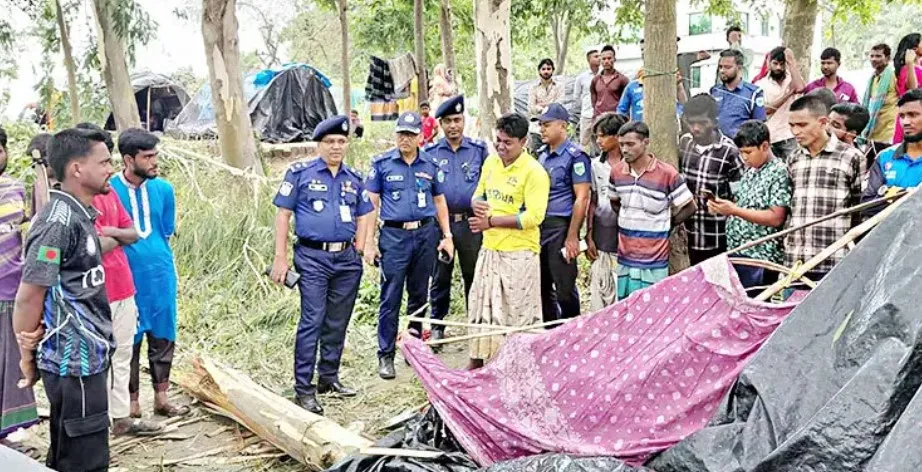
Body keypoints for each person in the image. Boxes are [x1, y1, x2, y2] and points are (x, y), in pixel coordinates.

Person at [13, 127, 116, 471]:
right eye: (104, 162)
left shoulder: (79, 215)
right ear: (76, 169)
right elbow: (29, 296)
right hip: (75, 363)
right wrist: (26, 356)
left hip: (86, 359)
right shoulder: (57, 223)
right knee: (85, 462)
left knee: (68, 455)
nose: (111, 169)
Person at [271, 116, 372, 415]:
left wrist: (361, 246)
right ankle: (304, 388)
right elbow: (283, 215)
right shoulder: (300, 173)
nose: (336, 147)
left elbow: (365, 212)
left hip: (346, 260)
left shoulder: (354, 178)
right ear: (319, 145)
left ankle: (329, 377)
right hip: (312, 258)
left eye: (341, 141)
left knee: (338, 321)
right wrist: (280, 257)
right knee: (312, 320)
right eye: (330, 142)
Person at [76, 122, 162, 436]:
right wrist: (117, 236)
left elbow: (133, 233)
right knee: (97, 359)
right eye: (102, 161)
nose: (108, 169)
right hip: (96, 291)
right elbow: (91, 246)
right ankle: (97, 420)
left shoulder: (109, 192)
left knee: (122, 354)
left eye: (107, 160)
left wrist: (110, 233)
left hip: (124, 286)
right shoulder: (77, 201)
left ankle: (121, 417)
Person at [363, 112, 454, 379]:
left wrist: (447, 236)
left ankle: (413, 348)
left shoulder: (430, 164)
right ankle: (385, 354)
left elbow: (439, 201)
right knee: (390, 296)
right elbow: (371, 205)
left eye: (410, 134)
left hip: (425, 235)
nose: (405, 139)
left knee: (419, 294)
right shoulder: (382, 164)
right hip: (394, 237)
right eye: (401, 134)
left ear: (420, 137)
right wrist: (368, 242)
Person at [109, 129, 189, 418]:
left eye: (155, 155)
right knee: (129, 336)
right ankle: (131, 403)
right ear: (129, 159)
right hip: (126, 276)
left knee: (163, 332)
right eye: (148, 157)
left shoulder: (164, 190)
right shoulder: (109, 190)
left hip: (161, 273)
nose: (155, 162)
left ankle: (162, 398)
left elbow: (165, 230)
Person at [466, 113, 549, 368]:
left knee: (516, 313)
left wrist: (491, 221)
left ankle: (515, 366)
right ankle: (478, 361)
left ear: (523, 142)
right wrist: (477, 205)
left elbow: (534, 217)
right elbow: (478, 194)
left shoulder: (534, 172)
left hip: (519, 253)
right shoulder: (491, 162)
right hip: (490, 248)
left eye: (508, 142)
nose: (501, 146)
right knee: (482, 307)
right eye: (498, 140)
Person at [424, 96, 488, 345]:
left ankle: (476, 323)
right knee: (440, 276)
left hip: (471, 224)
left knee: (474, 274)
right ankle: (438, 325)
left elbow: (489, 183)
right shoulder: (430, 153)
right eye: (448, 121)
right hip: (441, 225)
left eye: (457, 120)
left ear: (464, 121)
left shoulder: (478, 150)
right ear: (441, 124)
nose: (453, 126)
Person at [609, 121, 696, 299]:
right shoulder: (616, 172)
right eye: (622, 144)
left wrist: (667, 224)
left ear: (646, 143)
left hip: (654, 258)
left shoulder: (667, 174)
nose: (624, 149)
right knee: (626, 303)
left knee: (653, 304)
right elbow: (615, 202)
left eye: (630, 144)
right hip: (625, 255)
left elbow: (690, 206)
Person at [707, 120, 792, 291]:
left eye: (748, 152)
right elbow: (744, 206)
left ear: (765, 146)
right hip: (739, 252)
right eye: (741, 153)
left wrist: (734, 210)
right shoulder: (750, 171)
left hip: (760, 257)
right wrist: (723, 207)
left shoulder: (778, 172)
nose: (744, 158)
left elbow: (776, 217)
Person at [786, 95, 862, 281]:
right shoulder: (793, 159)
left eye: (802, 125)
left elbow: (859, 209)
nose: (795, 131)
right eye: (792, 125)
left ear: (822, 122)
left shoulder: (851, 157)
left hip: (834, 260)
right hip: (795, 261)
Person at [0, 126, 40, 457]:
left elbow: (29, 229)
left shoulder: (16, 188)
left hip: (13, 288)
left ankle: (4, 434)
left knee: (11, 364)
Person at [535, 104, 591, 321]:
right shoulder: (541, 156)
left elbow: (582, 198)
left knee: (564, 286)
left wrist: (572, 235)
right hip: (539, 227)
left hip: (561, 228)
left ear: (563, 126)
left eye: (547, 125)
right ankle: (551, 331)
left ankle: (572, 330)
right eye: (541, 125)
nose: (542, 129)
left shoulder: (575, 156)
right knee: (542, 286)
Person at [679, 94, 743, 265]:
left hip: (716, 236)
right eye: (691, 123)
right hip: (688, 235)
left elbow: (740, 197)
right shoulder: (684, 144)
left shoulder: (729, 151)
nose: (695, 128)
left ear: (714, 122)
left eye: (702, 123)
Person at [587, 113, 628, 311]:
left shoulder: (631, 164)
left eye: (603, 136)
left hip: (626, 234)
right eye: (597, 136)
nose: (599, 140)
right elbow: (593, 201)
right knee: (602, 285)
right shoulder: (596, 165)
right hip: (602, 233)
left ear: (617, 136)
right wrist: (589, 235)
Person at [863, 89, 922, 213]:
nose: (905, 122)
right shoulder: (885, 157)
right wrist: (898, 197)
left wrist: (890, 196)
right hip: (888, 226)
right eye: (902, 116)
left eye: (913, 115)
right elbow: (867, 204)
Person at [755, 47, 805, 161]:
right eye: (775, 63)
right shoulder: (761, 84)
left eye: (782, 64)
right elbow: (765, 110)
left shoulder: (792, 79)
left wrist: (791, 62)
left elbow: (800, 88)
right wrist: (788, 94)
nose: (778, 67)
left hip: (789, 136)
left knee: (792, 166)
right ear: (769, 63)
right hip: (770, 137)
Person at [711, 49, 767, 138]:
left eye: (727, 67)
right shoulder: (715, 91)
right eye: (720, 67)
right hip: (717, 144)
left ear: (739, 68)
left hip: (740, 144)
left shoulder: (753, 93)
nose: (722, 71)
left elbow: (759, 126)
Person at [861, 44, 898, 156]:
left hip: (889, 132)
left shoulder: (894, 76)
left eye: (878, 56)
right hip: (873, 131)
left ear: (888, 58)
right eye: (872, 56)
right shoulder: (872, 78)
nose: (874, 59)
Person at [616, 69, 687, 122]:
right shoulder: (632, 86)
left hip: (663, 127)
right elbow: (621, 110)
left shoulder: (667, 82)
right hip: (640, 128)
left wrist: (677, 116)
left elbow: (682, 106)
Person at [527, 58, 563, 153]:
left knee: (554, 153)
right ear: (539, 71)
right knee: (536, 154)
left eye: (548, 69)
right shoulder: (533, 87)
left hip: (553, 127)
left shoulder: (559, 86)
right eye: (543, 69)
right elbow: (531, 107)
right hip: (536, 127)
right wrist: (548, 107)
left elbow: (558, 105)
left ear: (552, 70)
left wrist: (541, 106)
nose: (546, 71)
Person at [892, 34, 922, 143]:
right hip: (912, 116)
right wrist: (909, 63)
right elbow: (913, 90)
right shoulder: (907, 69)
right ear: (915, 48)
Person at [571, 45, 601, 151]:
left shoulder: (604, 75)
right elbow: (576, 97)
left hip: (601, 114)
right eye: (596, 56)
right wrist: (583, 110)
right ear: (588, 60)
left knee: (602, 142)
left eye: (599, 56)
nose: (599, 58)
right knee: (584, 143)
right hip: (586, 115)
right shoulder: (581, 78)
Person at [590, 45, 629, 120]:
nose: (606, 61)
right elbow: (594, 101)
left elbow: (626, 102)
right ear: (601, 61)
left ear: (614, 59)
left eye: (609, 58)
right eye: (604, 59)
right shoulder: (595, 80)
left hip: (616, 119)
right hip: (599, 119)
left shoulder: (622, 79)